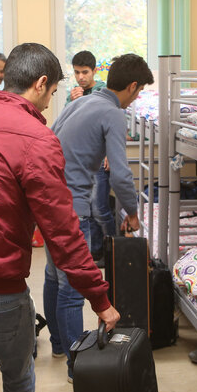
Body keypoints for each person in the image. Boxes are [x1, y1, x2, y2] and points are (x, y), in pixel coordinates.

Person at [0, 42, 120, 392]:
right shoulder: (37, 138)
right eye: (53, 91)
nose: (51, 101)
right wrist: (99, 298)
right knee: (17, 382)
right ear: (40, 83)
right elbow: (62, 233)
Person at [45, 53, 152, 381]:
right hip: (70, 206)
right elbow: (121, 175)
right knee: (72, 288)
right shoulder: (113, 113)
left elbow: (49, 139)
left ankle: (59, 345)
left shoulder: (80, 102)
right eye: (139, 92)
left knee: (53, 275)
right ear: (131, 86)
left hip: (48, 199)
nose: (137, 99)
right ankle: (77, 367)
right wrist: (132, 212)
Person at [67, 50, 114, 262]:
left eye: (85, 72)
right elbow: (70, 124)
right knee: (86, 208)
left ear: (94, 71)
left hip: (99, 158)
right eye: (77, 72)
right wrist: (72, 102)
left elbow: (108, 122)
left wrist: (110, 152)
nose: (80, 77)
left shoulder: (103, 91)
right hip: (80, 160)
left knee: (100, 208)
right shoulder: (74, 94)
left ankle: (113, 250)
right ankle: (95, 251)